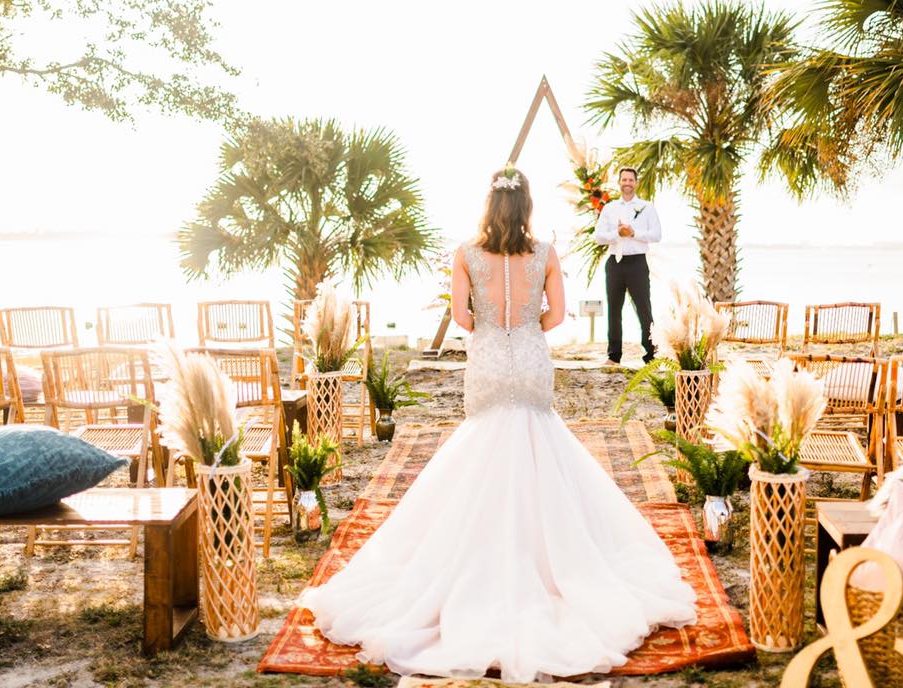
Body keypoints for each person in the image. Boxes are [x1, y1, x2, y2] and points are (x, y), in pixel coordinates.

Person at [297, 167, 696, 682]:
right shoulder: (545, 253)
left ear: (489, 207)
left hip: (487, 358)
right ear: (527, 206)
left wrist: (489, 318)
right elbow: (555, 320)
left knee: (481, 446)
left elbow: (462, 319)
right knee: (540, 443)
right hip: (529, 357)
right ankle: (556, 567)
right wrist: (524, 320)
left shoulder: (466, 254)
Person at [593, 167, 661, 366]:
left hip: (638, 263)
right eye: (624, 179)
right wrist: (617, 234)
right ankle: (614, 356)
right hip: (615, 263)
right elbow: (598, 237)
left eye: (631, 179)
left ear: (636, 183)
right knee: (614, 310)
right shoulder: (610, 208)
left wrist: (633, 233)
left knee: (644, 309)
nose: (627, 183)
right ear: (619, 183)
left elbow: (657, 235)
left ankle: (651, 355)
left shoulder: (647, 207)